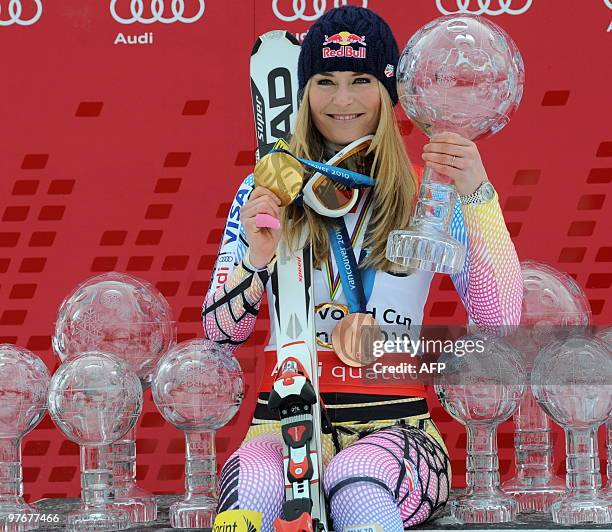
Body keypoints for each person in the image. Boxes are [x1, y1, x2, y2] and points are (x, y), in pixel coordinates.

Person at [202, 6, 522, 531]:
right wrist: (257, 257)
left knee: (356, 479)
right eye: (325, 81)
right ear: (304, 92)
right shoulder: (265, 189)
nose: (343, 100)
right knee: (254, 493)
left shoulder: (433, 191)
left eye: (362, 80)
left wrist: (478, 195)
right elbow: (221, 332)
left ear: (391, 91)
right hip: (283, 423)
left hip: (397, 429)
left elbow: (500, 319)